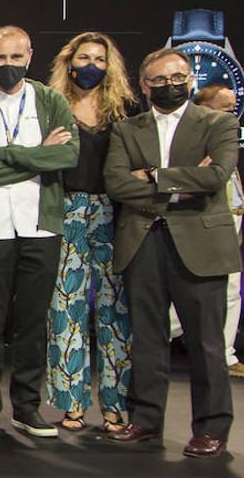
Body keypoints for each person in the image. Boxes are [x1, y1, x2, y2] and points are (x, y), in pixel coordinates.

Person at [105, 51, 240, 458]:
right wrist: (183, 183)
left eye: (177, 76)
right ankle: (146, 420)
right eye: (159, 79)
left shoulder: (218, 123)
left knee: (206, 343)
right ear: (144, 85)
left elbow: (215, 177)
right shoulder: (127, 129)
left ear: (190, 80)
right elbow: (116, 184)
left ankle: (211, 427)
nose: (170, 84)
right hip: (143, 242)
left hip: (200, 243)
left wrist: (153, 176)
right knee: (147, 339)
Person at [0, 25, 78, 438]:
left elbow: (67, 156)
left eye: (16, 58)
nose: (9, 65)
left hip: (41, 226)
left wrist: (4, 154)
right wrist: (37, 155)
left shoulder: (51, 100)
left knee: (32, 322)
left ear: (29, 56)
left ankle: (27, 407)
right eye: (0, 58)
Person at [43, 32, 136, 433]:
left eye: (99, 58)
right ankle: (71, 404)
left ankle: (115, 405)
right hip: (67, 209)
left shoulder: (126, 109)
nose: (91, 65)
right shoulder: (51, 107)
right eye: (84, 57)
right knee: (66, 309)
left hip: (115, 213)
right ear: (69, 62)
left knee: (116, 313)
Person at [170, 84, 244, 377]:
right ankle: (146, 339)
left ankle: (225, 355)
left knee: (231, 290)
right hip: (198, 221)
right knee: (189, 294)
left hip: (230, 218)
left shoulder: (223, 140)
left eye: (234, 108)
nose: (232, 115)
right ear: (204, 109)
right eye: (224, 108)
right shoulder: (192, 140)